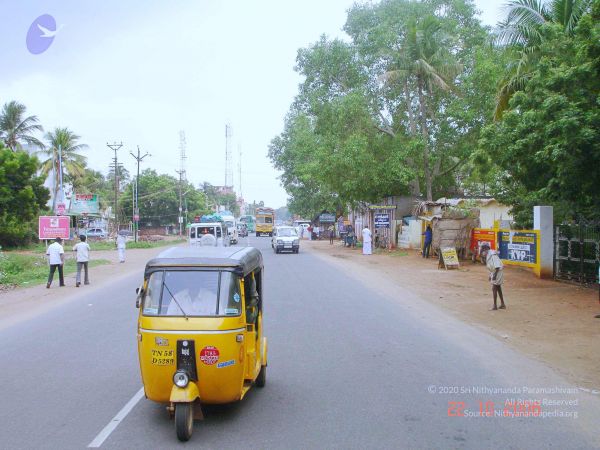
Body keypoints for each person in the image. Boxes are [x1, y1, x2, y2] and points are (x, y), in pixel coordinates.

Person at [480, 243, 506, 311]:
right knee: (498, 288)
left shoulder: (492, 255)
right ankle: (502, 304)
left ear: (486, 249)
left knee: (494, 288)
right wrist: (490, 275)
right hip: (495, 272)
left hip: (498, 272)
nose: (482, 251)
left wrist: (494, 275)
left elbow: (497, 266)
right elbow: (492, 267)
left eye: (483, 249)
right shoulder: (489, 255)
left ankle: (495, 306)